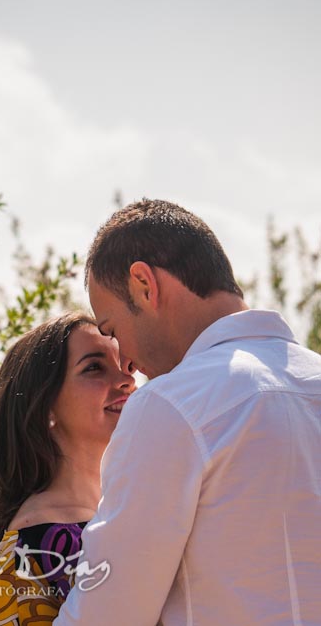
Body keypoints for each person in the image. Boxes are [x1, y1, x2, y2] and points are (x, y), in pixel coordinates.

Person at [53, 198, 321, 626]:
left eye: (113, 330)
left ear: (144, 284)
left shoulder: (171, 406)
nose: (125, 364)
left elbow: (106, 616)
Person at [0, 310, 136, 625]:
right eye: (94, 368)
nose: (126, 380)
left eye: (125, 364)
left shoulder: (134, 504)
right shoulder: (32, 544)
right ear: (44, 406)